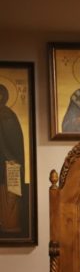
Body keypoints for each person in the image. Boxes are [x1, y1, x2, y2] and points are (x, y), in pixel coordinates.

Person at [0, 84, 27, 235]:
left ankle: (8, 225)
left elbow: (13, 142)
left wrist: (9, 156)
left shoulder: (7, 115)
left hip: (8, 163)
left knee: (8, 194)